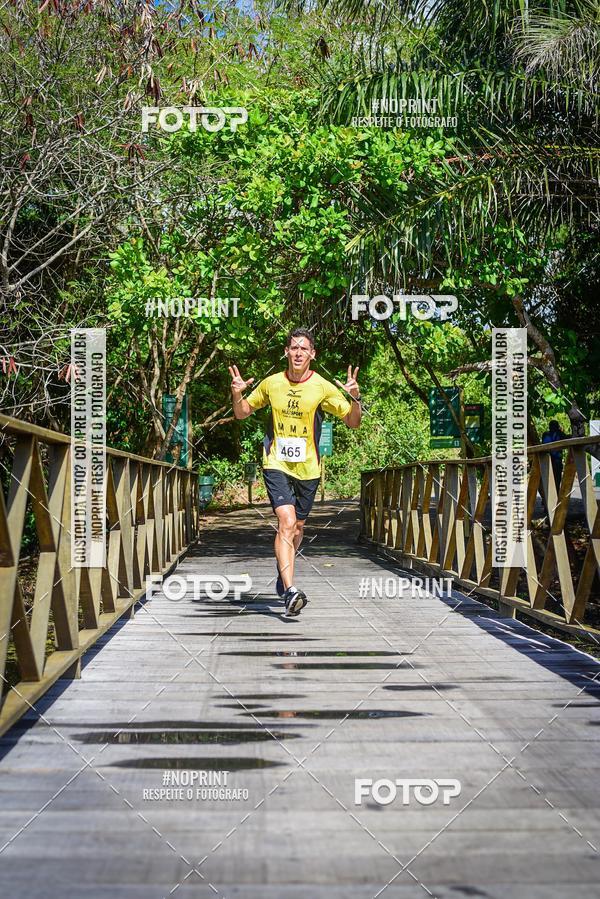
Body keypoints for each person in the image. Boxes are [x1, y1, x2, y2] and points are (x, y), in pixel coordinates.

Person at [229, 328, 362, 618]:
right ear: (286, 352)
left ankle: (283, 571)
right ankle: (290, 590)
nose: (298, 353)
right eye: (293, 348)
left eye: (304, 348)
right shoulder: (271, 383)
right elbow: (241, 413)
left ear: (312, 354)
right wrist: (236, 393)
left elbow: (353, 422)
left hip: (308, 468)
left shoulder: (322, 386)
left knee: (298, 527)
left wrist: (355, 398)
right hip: (276, 462)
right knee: (286, 522)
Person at [542, 419, 567, 488]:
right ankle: (556, 494)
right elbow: (567, 438)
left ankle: (549, 496)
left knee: (549, 479)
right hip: (556, 460)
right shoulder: (559, 434)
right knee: (557, 479)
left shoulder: (545, 434)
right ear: (557, 426)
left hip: (546, 460)